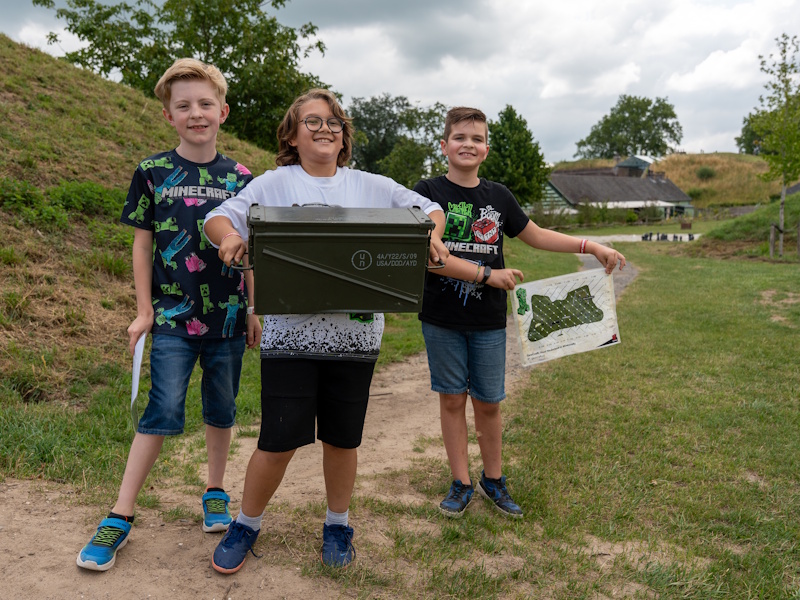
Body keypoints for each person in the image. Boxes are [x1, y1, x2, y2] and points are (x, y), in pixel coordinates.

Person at [203, 88, 449, 573]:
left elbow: (429, 210)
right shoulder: (274, 183)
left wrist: (433, 235)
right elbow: (217, 217)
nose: (324, 128)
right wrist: (231, 236)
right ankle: (246, 524)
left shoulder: (372, 186)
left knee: (343, 440)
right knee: (277, 441)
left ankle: (338, 523)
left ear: (345, 139)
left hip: (356, 341)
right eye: (312, 121)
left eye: (334, 122)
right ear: (291, 136)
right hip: (288, 340)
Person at [76, 58, 261, 571]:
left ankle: (215, 491)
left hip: (226, 320)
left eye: (205, 104)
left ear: (222, 111)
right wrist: (142, 312)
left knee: (221, 410)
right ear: (168, 115)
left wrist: (253, 308)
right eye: (184, 106)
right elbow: (140, 248)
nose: (196, 113)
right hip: (173, 321)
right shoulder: (152, 172)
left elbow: (251, 250)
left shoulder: (244, 178)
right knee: (161, 411)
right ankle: (119, 514)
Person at [413, 107, 625, 519]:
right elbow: (427, 252)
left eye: (476, 139)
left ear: (486, 149)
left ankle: (494, 480)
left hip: (490, 321)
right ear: (444, 145)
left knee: (489, 403)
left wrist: (590, 246)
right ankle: (460, 482)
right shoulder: (425, 191)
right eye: (459, 137)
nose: (467, 145)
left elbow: (536, 235)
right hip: (440, 317)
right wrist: (486, 274)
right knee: (452, 399)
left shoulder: (499, 197)